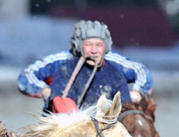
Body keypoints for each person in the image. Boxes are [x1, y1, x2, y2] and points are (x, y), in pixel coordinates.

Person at [17, 20, 153, 111]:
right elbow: (26, 75)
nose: (93, 50)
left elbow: (141, 71)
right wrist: (45, 91)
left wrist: (136, 92)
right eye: (87, 43)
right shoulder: (60, 62)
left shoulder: (111, 61)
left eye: (97, 44)